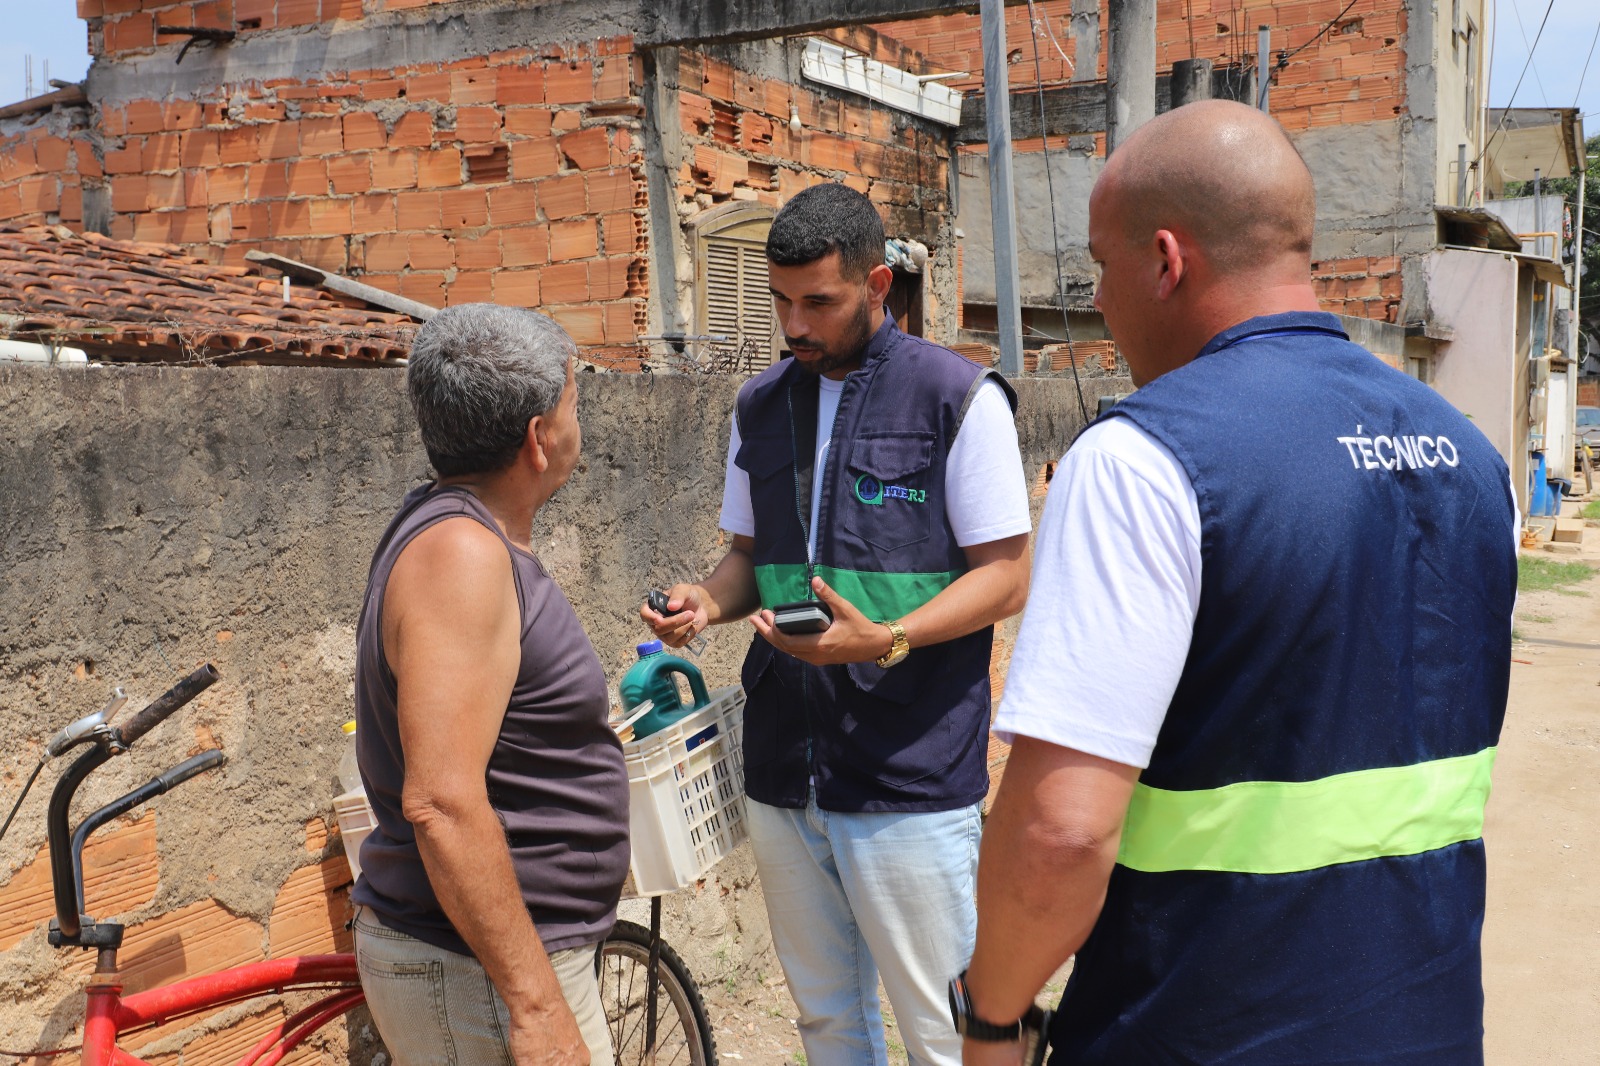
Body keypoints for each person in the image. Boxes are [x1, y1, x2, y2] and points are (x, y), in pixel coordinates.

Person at [958, 100, 1517, 1065]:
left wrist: (995, 1021)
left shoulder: (1144, 457)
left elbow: (1059, 834)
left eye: (1100, 263)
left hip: (1199, 1032)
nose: (1098, 297)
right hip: (1426, 1025)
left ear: (1167, 260)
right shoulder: (1474, 458)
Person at [642, 182, 1032, 1065]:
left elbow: (1007, 577)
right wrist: (706, 600)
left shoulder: (958, 399)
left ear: (878, 284)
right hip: (786, 765)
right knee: (827, 1020)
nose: (795, 325)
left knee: (946, 1028)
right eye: (782, 301)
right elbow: (747, 557)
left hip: (908, 772)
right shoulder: (759, 405)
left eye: (820, 301)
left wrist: (887, 640)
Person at [351, 304, 627, 1066]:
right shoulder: (461, 559)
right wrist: (535, 1004)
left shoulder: (462, 533)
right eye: (575, 403)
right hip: (481, 977)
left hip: (492, 968)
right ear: (539, 438)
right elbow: (441, 802)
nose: (579, 424)